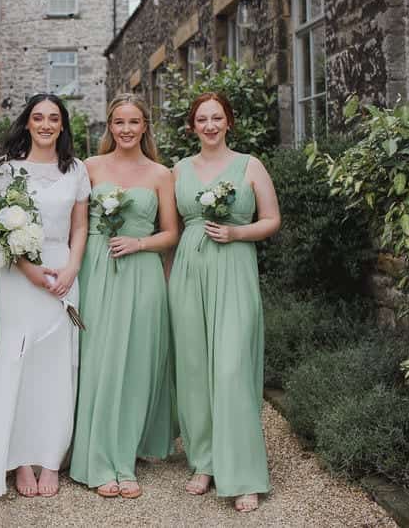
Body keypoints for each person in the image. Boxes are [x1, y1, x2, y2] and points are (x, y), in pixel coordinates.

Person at [0, 93, 89, 499]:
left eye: (54, 118)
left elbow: (80, 228)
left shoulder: (76, 170)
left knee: (57, 368)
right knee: (16, 361)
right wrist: (29, 270)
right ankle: (19, 460)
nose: (46, 124)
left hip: (63, 273)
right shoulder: (5, 170)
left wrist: (71, 268)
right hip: (19, 276)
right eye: (38, 117)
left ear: (62, 125)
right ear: (27, 123)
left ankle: (51, 459)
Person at [168, 92, 280, 513]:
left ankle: (245, 473)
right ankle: (205, 462)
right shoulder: (178, 170)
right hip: (189, 273)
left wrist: (237, 233)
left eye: (217, 117)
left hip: (234, 269)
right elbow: (168, 229)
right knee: (195, 369)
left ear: (229, 122)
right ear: (192, 125)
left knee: (232, 368)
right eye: (202, 118)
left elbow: (271, 220)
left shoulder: (250, 165)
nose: (210, 125)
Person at [71, 94, 180, 499]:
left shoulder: (161, 174)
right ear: (110, 126)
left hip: (143, 271)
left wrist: (139, 244)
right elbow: (76, 227)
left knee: (137, 361)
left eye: (134, 122)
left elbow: (171, 232)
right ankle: (97, 459)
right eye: (119, 122)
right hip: (97, 271)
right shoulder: (89, 167)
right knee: (98, 359)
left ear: (145, 126)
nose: (127, 129)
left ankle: (125, 458)